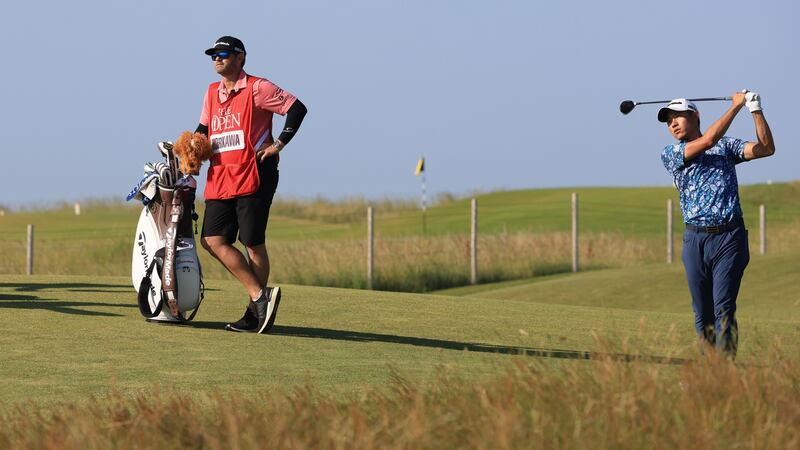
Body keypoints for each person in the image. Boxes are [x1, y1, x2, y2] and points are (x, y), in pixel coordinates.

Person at [194, 36, 307, 333]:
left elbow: (297, 108)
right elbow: (204, 129)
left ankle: (254, 313)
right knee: (212, 240)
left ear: (240, 57)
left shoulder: (259, 87)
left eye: (223, 53)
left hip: (256, 173)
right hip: (221, 175)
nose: (216, 58)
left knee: (252, 242)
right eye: (213, 55)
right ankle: (260, 297)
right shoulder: (211, 92)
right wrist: (189, 148)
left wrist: (279, 144)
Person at [659, 90, 775, 357]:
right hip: (694, 240)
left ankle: (725, 372)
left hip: (729, 238)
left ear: (695, 116)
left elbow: (766, 148)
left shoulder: (727, 147)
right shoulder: (671, 153)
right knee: (702, 312)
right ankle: (708, 373)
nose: (673, 124)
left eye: (677, 117)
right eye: (669, 121)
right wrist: (736, 106)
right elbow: (710, 139)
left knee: (724, 307)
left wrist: (755, 110)